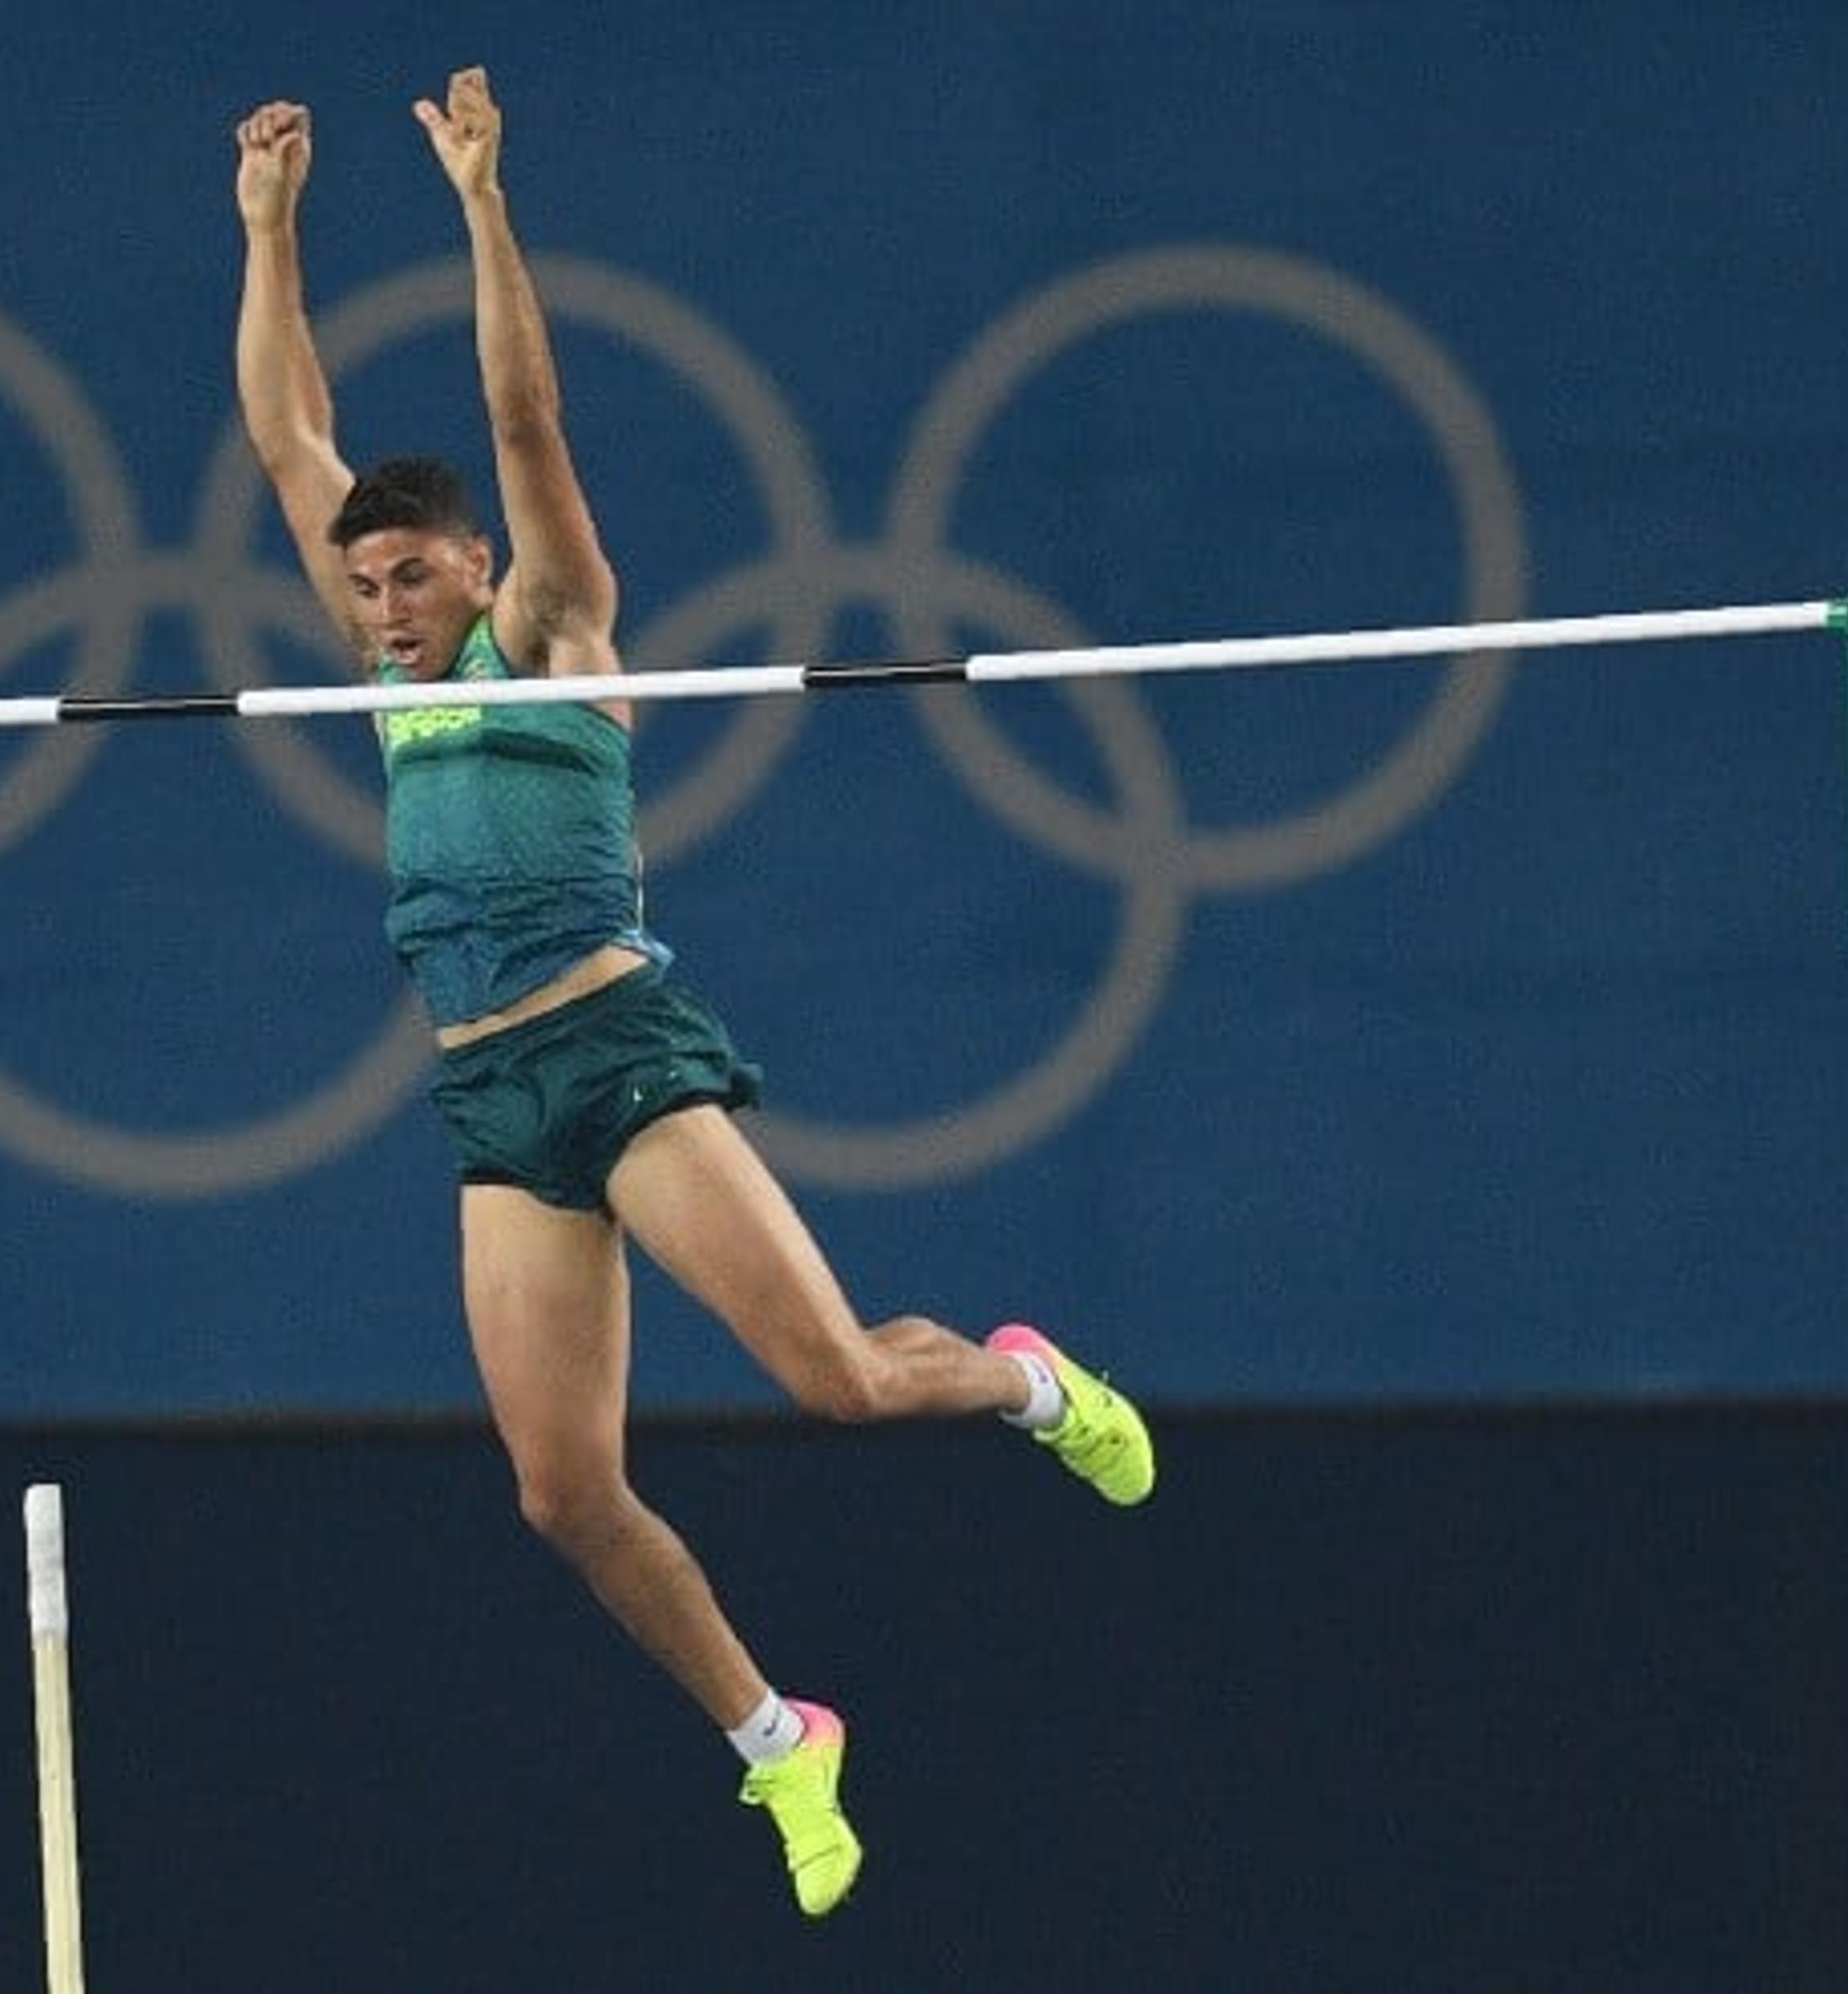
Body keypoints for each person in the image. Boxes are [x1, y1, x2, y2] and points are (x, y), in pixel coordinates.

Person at [231, 66, 1153, 1920]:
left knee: (834, 1385)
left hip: (618, 1054)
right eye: (372, 588)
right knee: (563, 1497)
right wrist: (266, 232)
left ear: (481, 564)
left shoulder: (553, 625)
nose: (390, 607)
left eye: (415, 575)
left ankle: (1019, 1384)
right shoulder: (386, 668)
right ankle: (777, 1740)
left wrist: (483, 200)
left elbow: (523, 410)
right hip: (494, 1099)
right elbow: (285, 440)